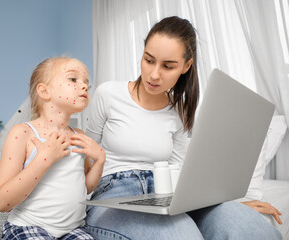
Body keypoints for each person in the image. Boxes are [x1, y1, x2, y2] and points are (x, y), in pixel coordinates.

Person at [85, 16, 282, 239]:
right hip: (113, 194)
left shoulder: (179, 111)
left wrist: (228, 205)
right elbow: (84, 156)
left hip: (165, 196)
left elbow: (181, 173)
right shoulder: (108, 94)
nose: (154, 74)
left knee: (252, 230)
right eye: (149, 60)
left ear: (186, 66)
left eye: (168, 66)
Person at [0, 57, 105, 240]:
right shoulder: (23, 133)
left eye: (86, 82)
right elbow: (1, 202)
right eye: (73, 79)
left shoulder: (78, 135)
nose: (84, 86)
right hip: (28, 226)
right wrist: (43, 159)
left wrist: (100, 160)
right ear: (44, 91)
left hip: (73, 229)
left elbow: (84, 187)